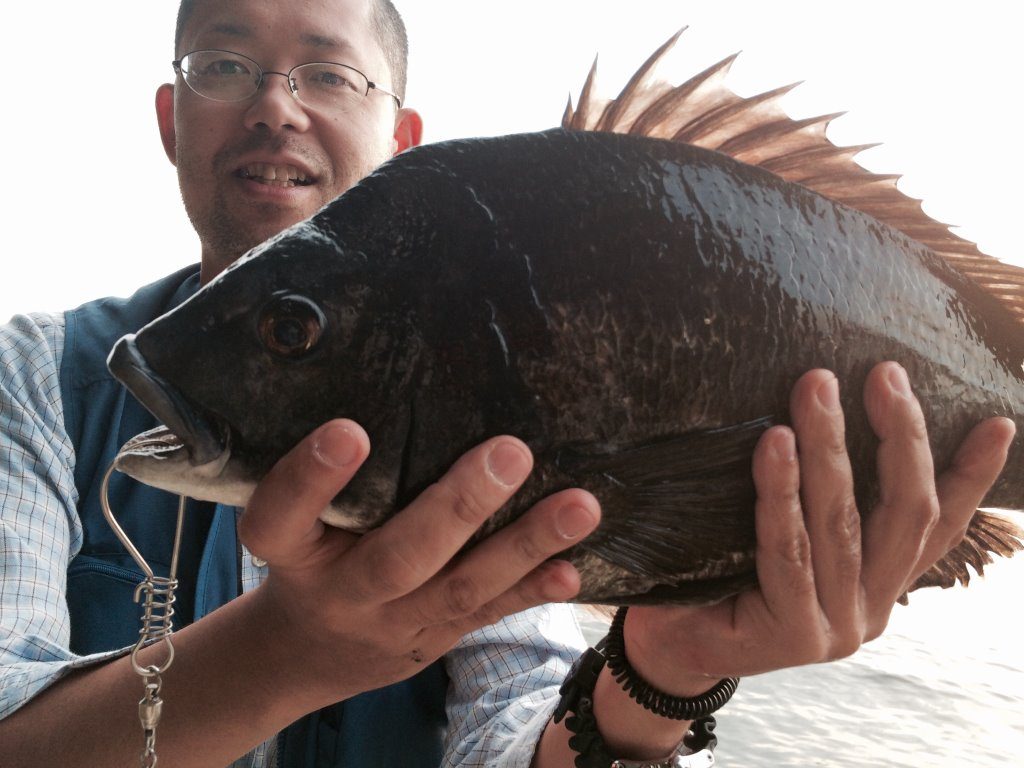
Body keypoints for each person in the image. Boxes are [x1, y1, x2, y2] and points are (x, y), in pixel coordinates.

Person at [0, 0, 1014, 766]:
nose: (275, 104)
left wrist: (660, 670)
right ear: (173, 117)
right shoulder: (37, 378)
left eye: (328, 73)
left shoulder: (474, 421)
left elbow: (511, 736)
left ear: (400, 137)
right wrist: (292, 649)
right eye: (227, 63)